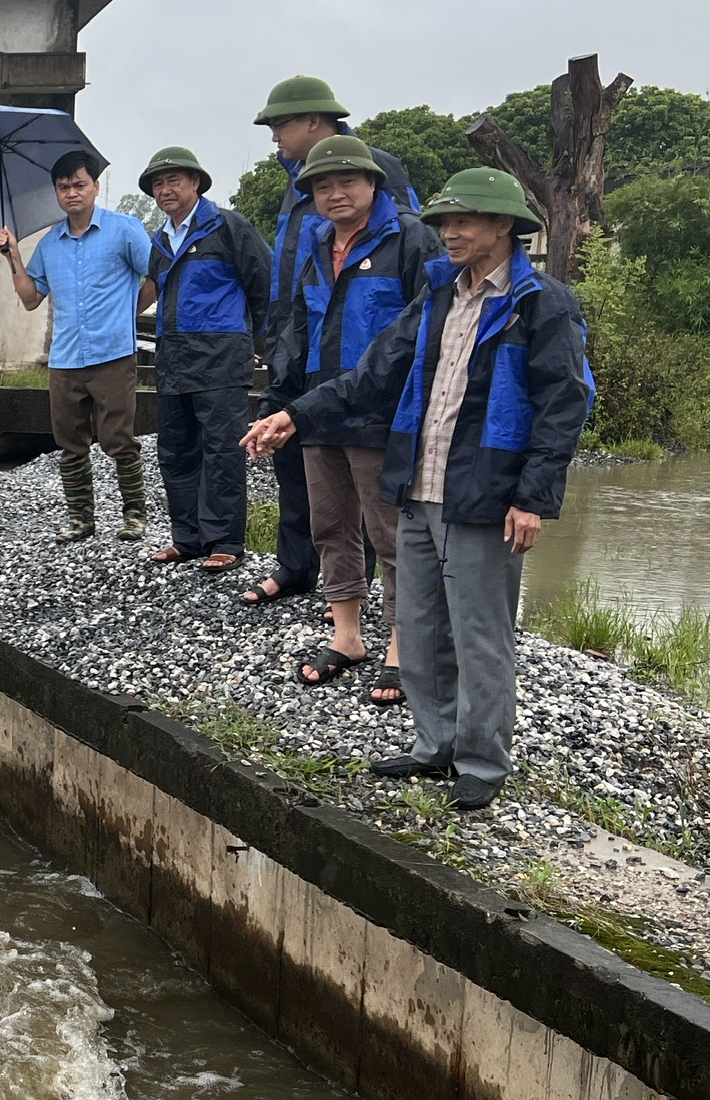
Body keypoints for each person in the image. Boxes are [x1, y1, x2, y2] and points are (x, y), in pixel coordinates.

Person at [241, 168, 591, 810]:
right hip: (418, 484)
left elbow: (564, 402)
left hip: (484, 494)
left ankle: (483, 761)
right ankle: (435, 744)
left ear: (504, 226)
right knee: (420, 622)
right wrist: (296, 415)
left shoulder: (541, 302)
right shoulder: (436, 296)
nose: (449, 233)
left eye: (463, 221)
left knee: (480, 631)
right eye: (442, 223)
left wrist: (533, 497)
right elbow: (374, 374)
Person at [258, 134, 440, 701]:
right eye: (321, 185)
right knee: (330, 525)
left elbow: (427, 329)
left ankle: (402, 643)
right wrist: (281, 400)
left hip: (382, 414)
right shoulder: (313, 243)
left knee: (390, 532)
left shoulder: (411, 239)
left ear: (373, 184)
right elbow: (298, 327)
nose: (334, 194)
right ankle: (347, 635)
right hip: (318, 411)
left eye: (347, 182)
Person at [242, 76, 425, 614]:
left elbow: (411, 286)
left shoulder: (377, 170)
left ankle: (373, 603)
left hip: (369, 371)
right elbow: (294, 278)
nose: (274, 135)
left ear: (314, 121)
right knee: (302, 473)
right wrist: (277, 347)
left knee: (371, 496)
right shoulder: (296, 188)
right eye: (326, 187)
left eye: (280, 124)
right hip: (303, 349)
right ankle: (301, 570)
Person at [0, 148, 148, 543]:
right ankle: (81, 519)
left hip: (114, 353)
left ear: (96, 186)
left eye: (79, 184)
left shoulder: (125, 230)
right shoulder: (50, 244)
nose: (72, 193)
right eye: (63, 187)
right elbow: (31, 298)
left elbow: (156, 275)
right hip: (65, 358)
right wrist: (13, 255)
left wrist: (130, 312)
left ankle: (134, 516)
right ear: (56, 193)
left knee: (119, 438)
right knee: (69, 442)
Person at [137, 145, 269, 573]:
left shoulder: (228, 227)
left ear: (195, 182)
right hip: (173, 358)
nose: (166, 189)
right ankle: (187, 537)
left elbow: (263, 286)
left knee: (223, 450)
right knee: (175, 451)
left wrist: (261, 342)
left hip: (220, 358)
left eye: (175, 179)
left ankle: (226, 539)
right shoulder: (159, 242)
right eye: (158, 183)